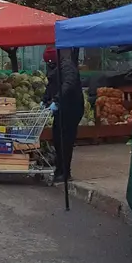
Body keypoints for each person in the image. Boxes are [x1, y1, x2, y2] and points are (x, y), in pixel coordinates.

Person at [42, 46, 84, 183]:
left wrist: (57, 100)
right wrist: (45, 99)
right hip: (61, 108)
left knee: (65, 141)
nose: (49, 64)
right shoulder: (54, 66)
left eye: (50, 61)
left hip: (71, 108)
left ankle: (65, 172)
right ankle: (59, 168)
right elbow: (51, 85)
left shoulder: (67, 66)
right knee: (57, 139)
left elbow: (68, 84)